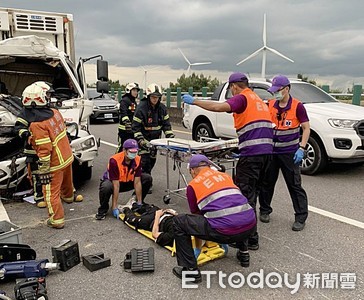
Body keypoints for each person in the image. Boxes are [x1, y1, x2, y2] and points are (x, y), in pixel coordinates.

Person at [182, 72, 273, 250]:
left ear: (233, 86)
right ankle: (248, 236)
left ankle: (248, 240)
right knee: (254, 192)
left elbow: (218, 107)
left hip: (252, 154)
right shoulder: (257, 99)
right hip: (266, 154)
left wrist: (195, 101)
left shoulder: (242, 98)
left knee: (245, 197)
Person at [172, 154, 257, 283]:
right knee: (238, 213)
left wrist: (197, 248)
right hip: (250, 226)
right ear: (209, 166)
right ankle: (244, 254)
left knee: (179, 222)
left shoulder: (193, 185)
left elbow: (196, 217)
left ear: (192, 170)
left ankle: (190, 271)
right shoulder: (225, 176)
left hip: (225, 231)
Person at [259, 75, 310, 231]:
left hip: (289, 153)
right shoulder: (271, 105)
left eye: (277, 91)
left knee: (294, 185)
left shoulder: (297, 106)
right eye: (273, 91)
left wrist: (301, 148)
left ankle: (300, 217)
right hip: (271, 152)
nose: (275, 94)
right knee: (267, 183)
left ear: (286, 89)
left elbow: (306, 128)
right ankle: (264, 210)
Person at [22, 81, 76, 229]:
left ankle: (56, 219)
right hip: (66, 156)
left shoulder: (37, 124)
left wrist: (44, 168)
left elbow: (44, 149)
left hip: (54, 163)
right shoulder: (55, 113)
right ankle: (69, 197)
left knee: (50, 192)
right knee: (67, 183)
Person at [95, 138, 153, 220]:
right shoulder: (114, 160)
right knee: (106, 187)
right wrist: (114, 206)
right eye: (131, 152)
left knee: (147, 178)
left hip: (128, 182)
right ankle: (103, 209)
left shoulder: (137, 159)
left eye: (135, 152)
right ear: (124, 150)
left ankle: (135, 202)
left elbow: (137, 182)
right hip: (114, 183)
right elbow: (116, 185)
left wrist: (139, 201)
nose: (133, 154)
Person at [132, 83, 175, 192]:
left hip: (155, 141)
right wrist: (141, 141)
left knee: (152, 162)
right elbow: (135, 127)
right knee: (144, 162)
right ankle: (146, 184)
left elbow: (166, 125)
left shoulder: (162, 108)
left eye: (157, 97)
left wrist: (171, 137)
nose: (155, 99)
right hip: (144, 141)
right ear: (148, 96)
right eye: (153, 97)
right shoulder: (141, 108)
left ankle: (143, 178)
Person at [116, 82, 140, 153]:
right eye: (134, 90)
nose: (136, 92)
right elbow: (123, 113)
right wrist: (127, 123)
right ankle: (115, 161)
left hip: (132, 130)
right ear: (129, 91)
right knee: (121, 148)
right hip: (124, 130)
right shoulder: (124, 101)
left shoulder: (133, 101)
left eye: (136, 91)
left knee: (132, 148)